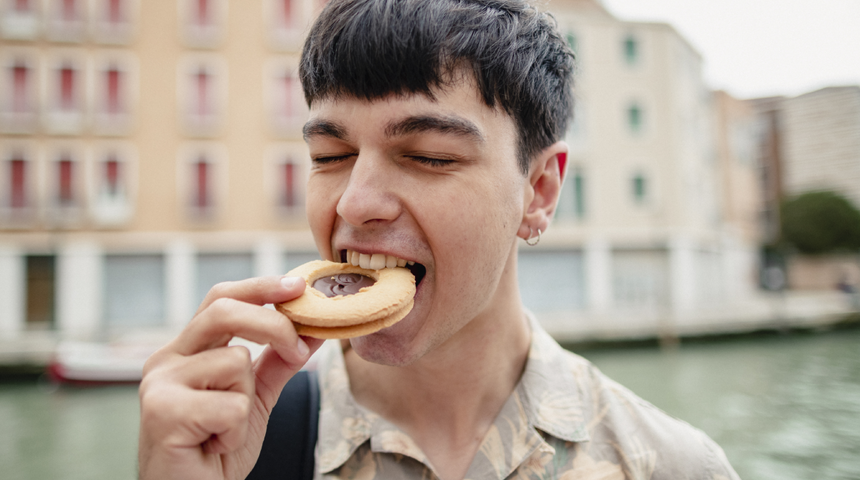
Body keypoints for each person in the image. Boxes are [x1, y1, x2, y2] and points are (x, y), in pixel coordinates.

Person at [138, 1, 741, 479]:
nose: (354, 201)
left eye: (427, 156)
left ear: (539, 191)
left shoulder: (672, 467)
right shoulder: (239, 443)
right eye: (330, 155)